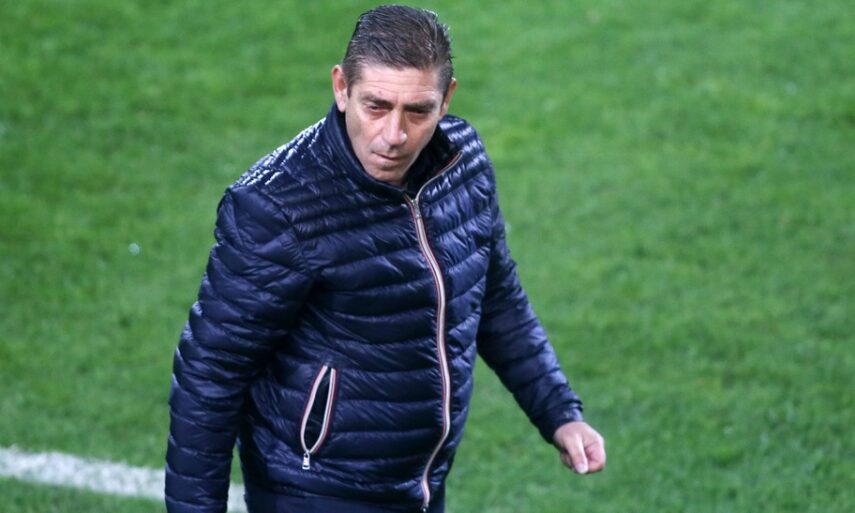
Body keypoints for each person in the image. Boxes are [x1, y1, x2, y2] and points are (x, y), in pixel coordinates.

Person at [165, 5, 605, 513]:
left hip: (420, 483)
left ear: (447, 99)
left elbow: (495, 298)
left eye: (418, 111)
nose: (394, 135)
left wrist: (559, 411)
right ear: (341, 87)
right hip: (313, 491)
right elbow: (210, 373)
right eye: (376, 106)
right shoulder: (278, 206)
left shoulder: (463, 165)